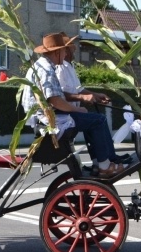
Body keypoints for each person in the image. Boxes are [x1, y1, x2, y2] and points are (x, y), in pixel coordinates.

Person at [24, 32, 129, 178]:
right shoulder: (47, 70)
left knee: (94, 120)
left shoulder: (42, 66)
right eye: (63, 49)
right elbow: (55, 100)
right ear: (57, 52)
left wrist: (88, 99)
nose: (66, 51)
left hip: (45, 117)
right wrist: (77, 109)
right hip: (51, 119)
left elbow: (59, 95)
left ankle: (101, 163)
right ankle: (104, 166)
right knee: (98, 121)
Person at [55, 33, 111, 107]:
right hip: (65, 113)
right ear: (66, 50)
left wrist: (96, 96)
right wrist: (83, 97)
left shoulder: (70, 66)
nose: (75, 47)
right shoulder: (60, 67)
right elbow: (60, 94)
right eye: (72, 45)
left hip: (74, 111)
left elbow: (79, 90)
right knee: (100, 118)